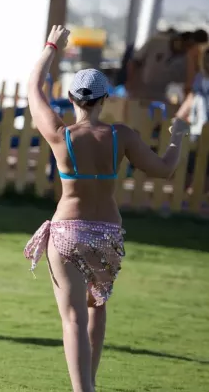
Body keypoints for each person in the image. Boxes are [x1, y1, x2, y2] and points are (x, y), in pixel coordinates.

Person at [24, 24, 188, 392]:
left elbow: (33, 88)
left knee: (73, 319)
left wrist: (52, 46)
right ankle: (91, 385)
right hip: (108, 234)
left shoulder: (61, 134)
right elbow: (164, 169)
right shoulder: (121, 136)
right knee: (96, 307)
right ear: (104, 99)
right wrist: (178, 139)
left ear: (72, 97)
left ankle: (83, 390)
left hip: (67, 232)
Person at [126, 29, 208, 104]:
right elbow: (134, 62)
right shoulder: (156, 42)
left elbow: (190, 85)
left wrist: (191, 58)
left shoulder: (186, 59)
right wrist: (130, 82)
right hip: (138, 92)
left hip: (160, 96)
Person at [175, 45, 209, 192]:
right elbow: (191, 98)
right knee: (190, 165)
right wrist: (179, 117)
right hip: (197, 129)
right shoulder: (200, 78)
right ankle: (186, 197)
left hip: (203, 129)